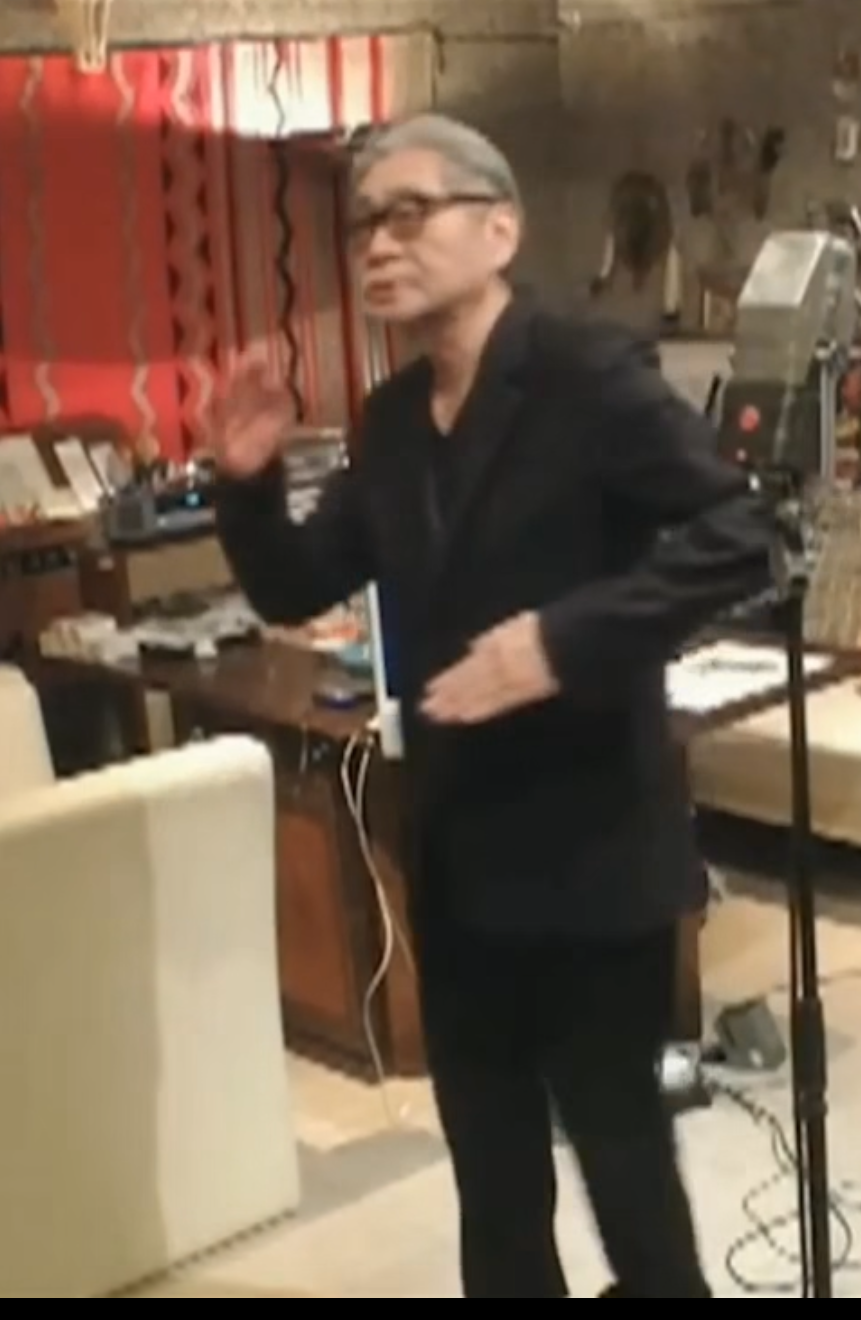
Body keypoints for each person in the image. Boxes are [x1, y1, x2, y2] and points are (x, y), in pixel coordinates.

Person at [208, 113, 771, 1298]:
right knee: (497, 1191)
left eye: (409, 213)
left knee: (627, 1179)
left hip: (594, 860)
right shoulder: (393, 422)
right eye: (365, 222)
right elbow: (296, 584)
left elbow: (742, 535)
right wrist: (248, 482)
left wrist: (563, 642)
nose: (378, 243)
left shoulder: (588, 376)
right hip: (460, 865)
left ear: (499, 229)